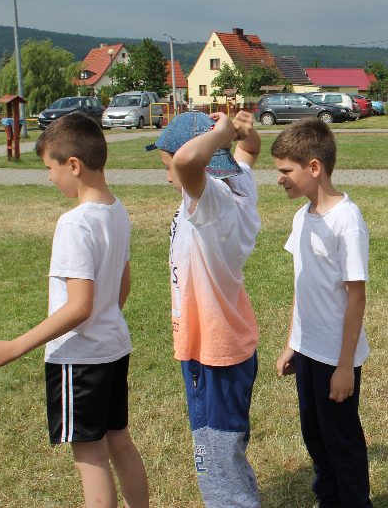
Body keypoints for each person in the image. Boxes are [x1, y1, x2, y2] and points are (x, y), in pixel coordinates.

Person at [0, 113, 149, 508]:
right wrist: (106, 319)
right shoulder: (116, 209)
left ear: (73, 165)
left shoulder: (74, 224)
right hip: (113, 349)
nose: (49, 177)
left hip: (79, 359)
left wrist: (15, 346)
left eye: (50, 168)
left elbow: (79, 307)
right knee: (119, 442)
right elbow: (123, 282)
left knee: (90, 457)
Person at [148, 110, 262, 507]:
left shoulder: (212, 202)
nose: (168, 176)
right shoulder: (238, 185)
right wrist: (243, 133)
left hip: (212, 349)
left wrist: (224, 131)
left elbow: (186, 162)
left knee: (215, 458)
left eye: (166, 167)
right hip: (229, 340)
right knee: (228, 446)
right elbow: (250, 151)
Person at [272, 118, 373, 508]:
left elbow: (356, 298)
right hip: (307, 350)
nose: (279, 179)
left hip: (335, 356)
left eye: (285, 170)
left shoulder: (347, 221)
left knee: (341, 440)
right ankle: (328, 499)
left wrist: (345, 367)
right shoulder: (302, 217)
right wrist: (291, 343)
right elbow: (302, 284)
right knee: (314, 434)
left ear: (313, 167)